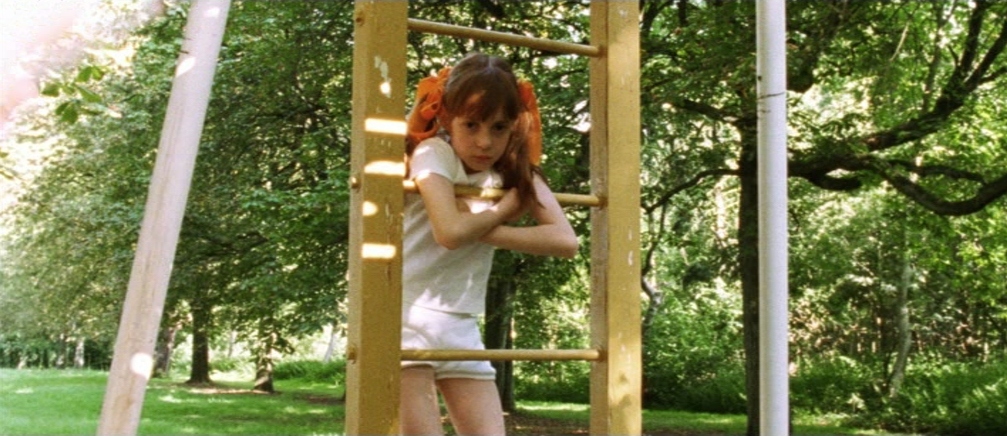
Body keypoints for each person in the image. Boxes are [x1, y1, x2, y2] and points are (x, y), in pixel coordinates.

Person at [400, 52, 578, 436]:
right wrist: (504, 210)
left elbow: (565, 241)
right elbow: (449, 234)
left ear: (515, 125)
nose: (485, 141)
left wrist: (481, 226)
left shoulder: (512, 168)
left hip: (460, 322)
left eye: (499, 128)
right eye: (471, 125)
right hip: (405, 314)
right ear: (447, 118)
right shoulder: (435, 152)